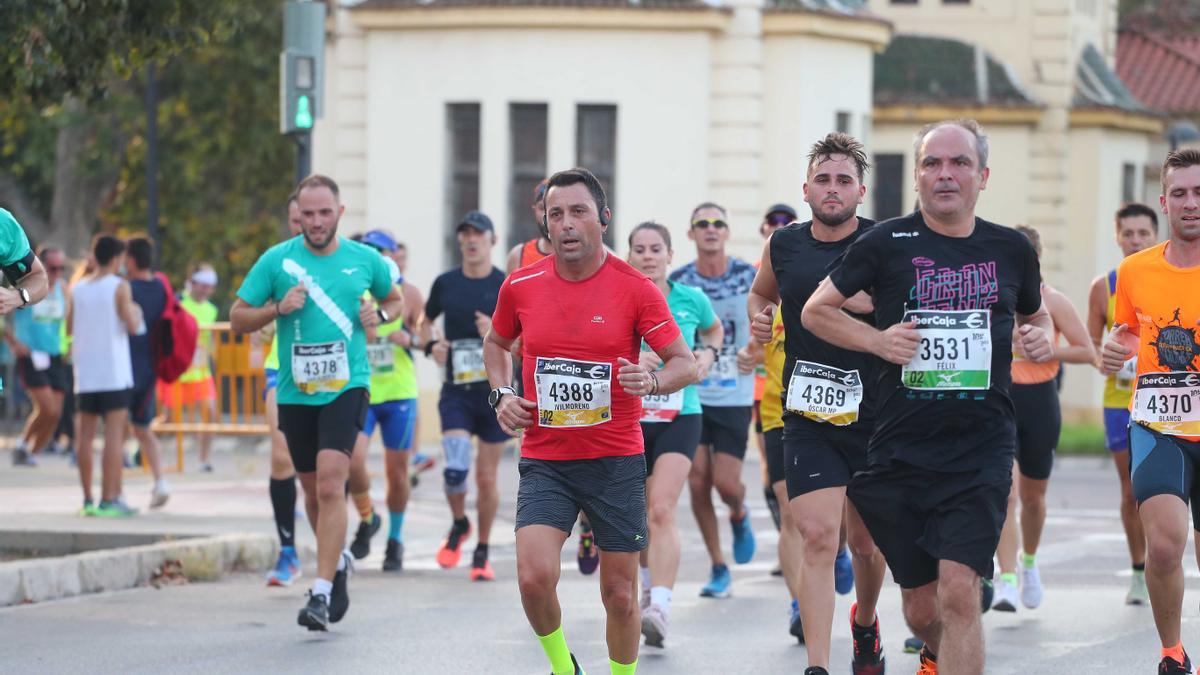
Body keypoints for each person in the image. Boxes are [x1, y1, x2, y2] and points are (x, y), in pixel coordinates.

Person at [802, 119, 1053, 675]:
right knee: (920, 609)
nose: (945, 174)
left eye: (959, 163)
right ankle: (937, 655)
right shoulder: (884, 243)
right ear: (916, 175)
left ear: (982, 176)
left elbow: (1036, 315)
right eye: (932, 163)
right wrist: (877, 340)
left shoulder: (1010, 248)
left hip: (980, 450)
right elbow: (815, 310)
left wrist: (1042, 335)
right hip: (899, 450)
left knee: (961, 592)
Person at [483, 168, 695, 675]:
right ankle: (564, 668)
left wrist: (653, 383)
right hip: (545, 457)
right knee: (534, 578)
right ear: (546, 224)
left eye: (578, 211)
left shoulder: (635, 288)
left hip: (615, 458)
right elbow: (495, 344)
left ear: (602, 218)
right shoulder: (521, 285)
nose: (566, 224)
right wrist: (502, 393)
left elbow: (682, 362)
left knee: (620, 594)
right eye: (556, 214)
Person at [231, 174, 404, 631]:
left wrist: (379, 315)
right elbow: (237, 318)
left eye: (324, 212)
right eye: (307, 214)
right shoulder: (276, 261)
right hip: (295, 391)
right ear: (298, 217)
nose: (316, 222)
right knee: (312, 492)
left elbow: (396, 299)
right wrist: (276, 309)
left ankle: (321, 592)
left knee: (331, 483)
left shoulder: (365, 259)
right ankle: (339, 559)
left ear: (339, 213)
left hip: (348, 386)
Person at [749, 132, 887, 675]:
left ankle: (866, 622)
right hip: (806, 411)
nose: (833, 190)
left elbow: (904, 307)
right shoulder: (784, 245)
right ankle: (818, 666)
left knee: (866, 543)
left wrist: (853, 300)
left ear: (861, 191)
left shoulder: (884, 242)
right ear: (806, 189)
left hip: (874, 413)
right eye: (823, 180)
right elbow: (763, 292)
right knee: (817, 537)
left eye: (844, 181)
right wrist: (761, 317)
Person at [1100, 148, 1200, 675]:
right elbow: (1127, 331)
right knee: (1164, 547)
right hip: (1158, 422)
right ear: (1164, 202)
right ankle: (1172, 653)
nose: (1190, 203)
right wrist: (1116, 349)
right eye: (1180, 193)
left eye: (1199, 192)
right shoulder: (1134, 270)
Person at [626, 221, 723, 648]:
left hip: (681, 414)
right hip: (630, 417)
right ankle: (647, 587)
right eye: (640, 249)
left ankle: (661, 606)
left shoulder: (691, 298)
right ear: (629, 255)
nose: (647, 256)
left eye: (655, 249)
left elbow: (714, 329)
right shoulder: (620, 297)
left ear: (669, 256)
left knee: (662, 508)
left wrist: (707, 352)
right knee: (640, 517)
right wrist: (632, 358)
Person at [991, 225, 1096, 613]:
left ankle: (1029, 563)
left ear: (1035, 261)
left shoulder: (1053, 301)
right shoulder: (993, 300)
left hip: (1039, 402)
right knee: (1006, 490)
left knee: (1033, 499)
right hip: (1000, 399)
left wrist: (1047, 351)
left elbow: (1088, 352)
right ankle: (1005, 579)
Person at [669, 201, 759, 598]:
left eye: (717, 223)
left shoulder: (747, 277)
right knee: (698, 480)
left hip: (734, 392)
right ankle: (718, 565)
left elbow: (770, 314)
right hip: (690, 392)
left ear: (726, 231)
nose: (710, 229)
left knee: (725, 482)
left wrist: (755, 350)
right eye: (701, 224)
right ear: (691, 234)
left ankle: (739, 512)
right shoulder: (680, 281)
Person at [419, 211, 508, 581]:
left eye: (478, 235)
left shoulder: (506, 284)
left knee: (486, 478)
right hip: (456, 391)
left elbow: (524, 339)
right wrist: (431, 345)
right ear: (459, 241)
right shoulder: (446, 283)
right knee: (455, 469)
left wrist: (495, 332)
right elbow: (425, 321)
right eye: (465, 235)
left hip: (493, 394)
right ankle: (459, 522)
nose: (471, 241)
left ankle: (482, 550)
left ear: (492, 240)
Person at [1086, 202, 1159, 606]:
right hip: (1120, 400)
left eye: (1142, 233)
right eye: (1127, 234)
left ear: (1155, 234)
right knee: (1132, 490)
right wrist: (1113, 360)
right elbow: (1092, 349)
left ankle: (1164, 559)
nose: (1134, 241)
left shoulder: (1171, 276)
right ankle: (1138, 569)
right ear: (1117, 237)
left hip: (1168, 398)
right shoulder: (1104, 287)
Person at [356, 228, 419, 572]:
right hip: (361, 389)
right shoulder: (354, 289)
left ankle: (395, 538)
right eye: (366, 249)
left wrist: (409, 337)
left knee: (397, 474)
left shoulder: (409, 293)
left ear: (393, 254)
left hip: (398, 393)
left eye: (378, 250)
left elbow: (425, 335)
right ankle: (368, 517)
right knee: (353, 460)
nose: (372, 255)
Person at [68, 235, 143, 516]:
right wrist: (136, 314)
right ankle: (109, 499)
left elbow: (69, 327)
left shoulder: (77, 288)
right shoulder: (119, 286)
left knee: (84, 438)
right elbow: (132, 324)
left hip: (85, 373)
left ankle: (87, 499)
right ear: (116, 258)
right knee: (114, 437)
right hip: (113, 372)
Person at [260, 193, 305, 587]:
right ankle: (288, 551)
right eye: (297, 218)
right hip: (281, 367)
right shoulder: (276, 262)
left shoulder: (344, 260)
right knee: (280, 458)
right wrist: (272, 312)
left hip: (335, 377)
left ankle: (333, 548)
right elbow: (245, 312)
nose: (305, 223)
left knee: (327, 468)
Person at [752, 203, 796, 564]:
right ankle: (799, 602)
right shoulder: (758, 283)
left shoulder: (828, 277)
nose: (779, 227)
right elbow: (747, 340)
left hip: (828, 409)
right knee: (787, 502)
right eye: (774, 222)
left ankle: (837, 548)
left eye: (787, 222)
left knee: (834, 515)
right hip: (772, 405)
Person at [8, 246, 67, 466]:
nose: (57, 273)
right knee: (47, 407)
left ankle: (29, 451)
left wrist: (68, 344)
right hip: (31, 354)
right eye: (53, 268)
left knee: (55, 414)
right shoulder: (27, 287)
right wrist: (14, 342)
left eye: (61, 268)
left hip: (54, 355)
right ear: (42, 266)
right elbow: (4, 316)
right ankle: (23, 444)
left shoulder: (63, 288)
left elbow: (69, 320)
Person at [123, 236, 170, 506]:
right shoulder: (162, 288)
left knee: (117, 428)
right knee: (142, 428)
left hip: (123, 368)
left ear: (129, 259)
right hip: (150, 368)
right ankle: (160, 481)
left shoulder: (125, 288)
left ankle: (113, 490)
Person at [159, 262, 220, 472]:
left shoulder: (212, 310)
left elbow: (211, 337)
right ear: (192, 283)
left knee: (210, 412)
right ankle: (142, 449)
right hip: (178, 371)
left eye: (209, 286)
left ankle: (204, 459)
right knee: (168, 420)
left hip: (201, 372)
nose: (206, 290)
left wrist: (213, 355)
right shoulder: (179, 303)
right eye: (202, 285)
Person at [506, 178, 552, 273]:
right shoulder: (519, 256)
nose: (547, 215)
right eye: (542, 208)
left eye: (553, 208)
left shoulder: (578, 254)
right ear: (534, 209)